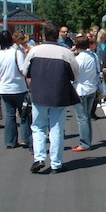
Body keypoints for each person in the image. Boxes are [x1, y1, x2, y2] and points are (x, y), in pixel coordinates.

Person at [23, 22, 80, 174]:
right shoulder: (65, 53)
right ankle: (56, 163)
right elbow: (76, 73)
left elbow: (25, 70)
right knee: (56, 129)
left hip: (39, 94)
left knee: (38, 127)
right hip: (59, 95)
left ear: (43, 36)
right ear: (58, 36)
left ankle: (39, 158)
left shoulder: (34, 51)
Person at [0, 30, 28, 149]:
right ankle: (25, 138)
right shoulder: (16, 53)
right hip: (18, 87)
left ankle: (10, 141)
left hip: (5, 88)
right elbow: (22, 69)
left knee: (10, 115)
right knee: (24, 114)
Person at [71, 35, 100, 151]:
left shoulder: (78, 59)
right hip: (91, 88)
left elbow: (74, 75)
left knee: (82, 118)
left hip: (81, 89)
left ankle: (84, 143)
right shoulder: (93, 56)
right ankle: (87, 140)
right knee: (87, 116)